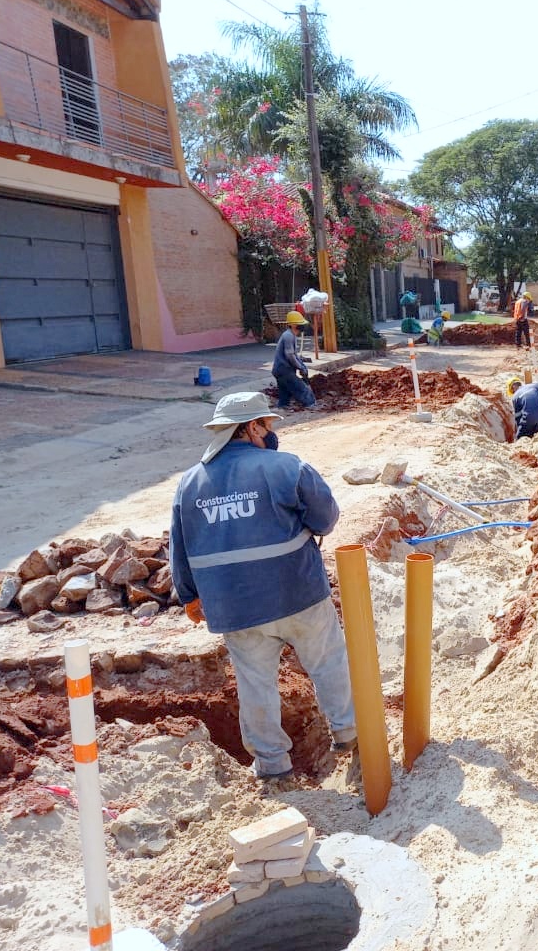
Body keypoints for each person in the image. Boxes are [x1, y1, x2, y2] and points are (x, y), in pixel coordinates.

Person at [169, 392, 356, 780]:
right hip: (297, 592)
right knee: (328, 662)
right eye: (267, 425)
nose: (271, 433)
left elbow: (180, 547)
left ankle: (272, 765)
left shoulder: (189, 484)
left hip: (235, 608)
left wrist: (189, 596)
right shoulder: (287, 467)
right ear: (251, 427)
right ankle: (349, 732)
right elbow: (326, 519)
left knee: (255, 685)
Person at [272, 309, 315, 410]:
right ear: (293, 325)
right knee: (302, 389)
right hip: (284, 370)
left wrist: (301, 365)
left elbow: (294, 354)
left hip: (279, 370)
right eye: (300, 323)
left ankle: (283, 406)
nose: (303, 326)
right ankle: (311, 404)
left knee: (285, 393)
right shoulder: (288, 336)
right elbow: (290, 355)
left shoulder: (291, 335)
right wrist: (300, 367)